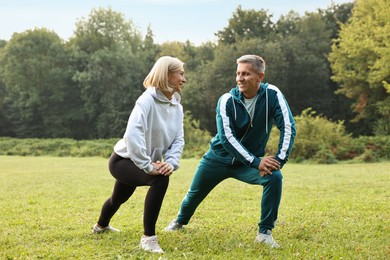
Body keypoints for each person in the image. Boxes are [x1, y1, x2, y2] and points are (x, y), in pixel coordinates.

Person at [164, 54, 296, 248]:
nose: (240, 78)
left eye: (246, 74)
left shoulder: (273, 95)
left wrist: (278, 161)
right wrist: (256, 161)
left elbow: (288, 126)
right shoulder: (226, 100)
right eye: (238, 73)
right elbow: (227, 138)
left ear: (260, 77)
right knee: (194, 194)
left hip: (247, 164)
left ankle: (264, 233)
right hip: (217, 159)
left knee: (274, 177)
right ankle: (180, 221)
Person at [92, 56, 186, 254]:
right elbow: (132, 135)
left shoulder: (177, 106)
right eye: (181, 73)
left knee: (118, 197)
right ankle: (148, 238)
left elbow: (178, 139)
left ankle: (100, 226)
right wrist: (148, 166)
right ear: (167, 75)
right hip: (123, 161)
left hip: (143, 162)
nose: (184, 79)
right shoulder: (146, 101)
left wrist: (171, 162)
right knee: (160, 180)